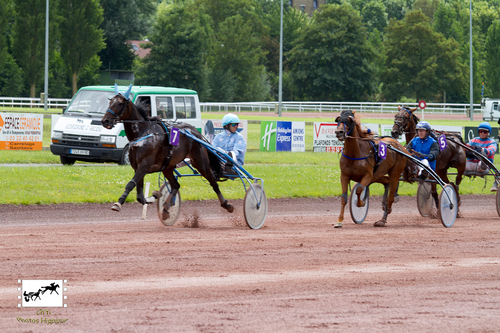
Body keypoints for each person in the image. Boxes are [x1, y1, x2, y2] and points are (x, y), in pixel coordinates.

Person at [466, 122, 498, 191]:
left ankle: (483, 163)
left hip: (483, 166)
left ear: (488, 133)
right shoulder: (474, 140)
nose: (482, 133)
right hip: (470, 164)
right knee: (461, 163)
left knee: (482, 162)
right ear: (479, 132)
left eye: (485, 132)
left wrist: (483, 150)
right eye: (481, 131)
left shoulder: (492, 142)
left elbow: (492, 150)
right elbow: (466, 147)